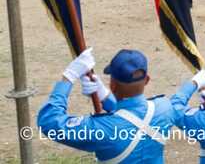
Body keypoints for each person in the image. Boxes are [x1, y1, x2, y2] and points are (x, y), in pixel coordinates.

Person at [37, 48, 177, 162]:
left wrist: (69, 76)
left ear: (113, 84)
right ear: (146, 80)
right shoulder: (165, 107)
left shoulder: (100, 129)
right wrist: (104, 95)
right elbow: (129, 115)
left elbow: (49, 122)